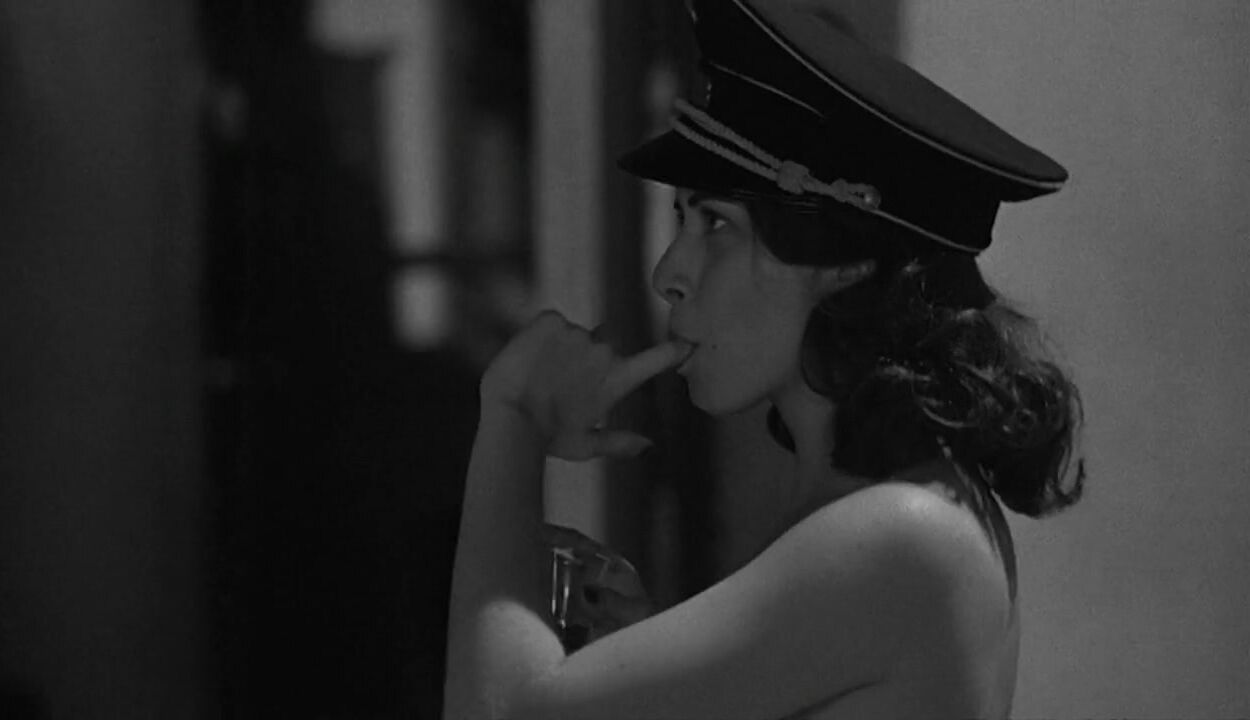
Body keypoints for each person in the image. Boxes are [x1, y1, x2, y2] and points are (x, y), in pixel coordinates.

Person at [443, 0, 1084, 717]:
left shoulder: (899, 532)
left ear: (843, 259)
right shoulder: (879, 505)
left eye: (716, 224)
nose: (668, 274)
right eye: (681, 218)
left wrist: (514, 417)